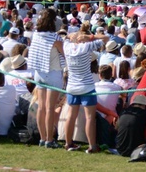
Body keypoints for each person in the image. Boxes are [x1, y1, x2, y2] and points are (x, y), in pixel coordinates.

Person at [62, 26, 109, 153]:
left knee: (71, 116)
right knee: (90, 118)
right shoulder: (86, 47)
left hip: (72, 86)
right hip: (87, 86)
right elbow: (106, 38)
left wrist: (69, 36)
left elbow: (63, 37)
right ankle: (92, 146)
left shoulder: (66, 47)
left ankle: (68, 143)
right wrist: (90, 37)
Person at [28, 8, 65, 148]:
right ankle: (49, 139)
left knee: (41, 108)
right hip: (53, 73)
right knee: (49, 108)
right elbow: (65, 54)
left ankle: (43, 138)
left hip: (39, 73)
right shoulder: (55, 38)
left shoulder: (35, 35)